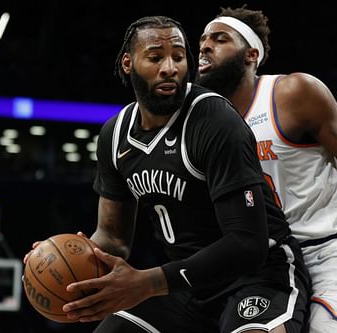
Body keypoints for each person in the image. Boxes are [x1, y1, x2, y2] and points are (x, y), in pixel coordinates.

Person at [53, 15, 310, 333]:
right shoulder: (114, 135)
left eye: (178, 56)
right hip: (186, 285)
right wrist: (67, 256)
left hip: (258, 275)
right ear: (127, 63)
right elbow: (114, 237)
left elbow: (248, 245)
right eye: (155, 57)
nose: (170, 68)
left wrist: (147, 281)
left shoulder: (214, 120)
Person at [195, 6, 337, 333]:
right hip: (266, 265)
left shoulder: (293, 94)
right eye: (203, 41)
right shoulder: (205, 121)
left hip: (330, 254)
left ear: (251, 54)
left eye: (219, 39)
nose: (205, 46)